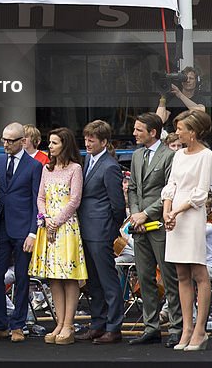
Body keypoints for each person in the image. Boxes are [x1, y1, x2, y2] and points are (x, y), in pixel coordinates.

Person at [126, 111, 182, 347]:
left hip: (160, 226)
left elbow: (171, 190)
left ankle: (178, 328)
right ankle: (151, 327)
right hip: (140, 227)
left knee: (169, 278)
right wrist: (135, 213)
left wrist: (145, 213)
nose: (134, 133)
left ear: (153, 132)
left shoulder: (169, 156)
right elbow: (132, 188)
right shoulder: (137, 155)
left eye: (139, 129)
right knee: (145, 277)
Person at [162, 109, 212, 352]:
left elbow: (201, 193)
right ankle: (186, 328)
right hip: (174, 215)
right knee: (180, 272)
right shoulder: (179, 155)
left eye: (181, 129)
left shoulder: (205, 155)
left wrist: (176, 212)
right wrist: (166, 211)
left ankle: (200, 330)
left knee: (198, 272)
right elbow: (171, 184)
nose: (177, 132)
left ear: (193, 132)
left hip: (192, 214)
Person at [0, 121, 43, 343]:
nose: (6, 144)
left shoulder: (34, 166)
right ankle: (0, 323)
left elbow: (37, 201)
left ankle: (18, 325)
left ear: (23, 141)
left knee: (22, 277)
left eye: (10, 140)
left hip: (22, 230)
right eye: (4, 140)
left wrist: (32, 232)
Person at [28, 127, 86, 346]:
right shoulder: (47, 168)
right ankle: (59, 322)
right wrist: (45, 217)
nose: (49, 147)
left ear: (65, 144)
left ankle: (69, 324)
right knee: (53, 276)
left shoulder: (75, 168)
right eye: (49, 142)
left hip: (66, 227)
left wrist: (56, 220)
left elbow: (75, 200)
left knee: (68, 276)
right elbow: (40, 196)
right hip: (47, 225)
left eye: (53, 143)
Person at [75, 120, 125, 344]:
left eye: (92, 140)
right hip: (86, 229)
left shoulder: (110, 166)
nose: (87, 143)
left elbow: (117, 205)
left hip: (101, 230)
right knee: (93, 281)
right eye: (86, 139)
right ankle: (98, 324)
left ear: (104, 141)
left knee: (108, 281)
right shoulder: (87, 161)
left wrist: (112, 229)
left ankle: (113, 327)